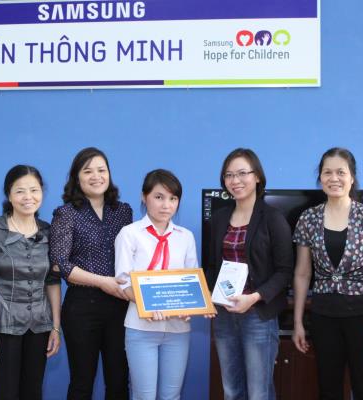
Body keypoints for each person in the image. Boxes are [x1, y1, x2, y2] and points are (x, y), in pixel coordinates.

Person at [292, 147, 363, 400]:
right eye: (327, 172)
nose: (333, 178)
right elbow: (302, 274)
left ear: (352, 177)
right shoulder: (308, 218)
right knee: (328, 389)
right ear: (320, 178)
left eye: (340, 172)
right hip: (324, 316)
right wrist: (298, 322)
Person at [205, 148, 294, 400]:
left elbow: (285, 271)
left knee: (258, 393)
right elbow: (212, 266)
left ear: (257, 177)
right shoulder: (219, 218)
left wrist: (254, 297)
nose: (235, 180)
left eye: (242, 173)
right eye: (229, 175)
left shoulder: (273, 218)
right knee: (231, 390)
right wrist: (209, 295)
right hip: (224, 314)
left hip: (258, 315)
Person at [50, 147, 132, 400]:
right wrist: (102, 282)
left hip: (120, 305)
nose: (96, 176)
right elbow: (59, 264)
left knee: (119, 382)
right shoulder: (66, 213)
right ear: (77, 178)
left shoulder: (123, 211)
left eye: (101, 170)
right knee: (82, 382)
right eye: (88, 171)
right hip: (82, 307)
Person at [0, 165, 61, 400]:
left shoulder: (49, 232)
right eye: (20, 191)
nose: (28, 197)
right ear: (9, 195)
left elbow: (53, 281)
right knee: (6, 394)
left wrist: (55, 326)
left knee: (33, 393)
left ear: (42, 193)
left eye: (34, 190)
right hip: (3, 327)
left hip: (40, 327)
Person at [114, 169, 198, 400]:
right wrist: (148, 304)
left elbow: (191, 281)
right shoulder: (129, 234)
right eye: (159, 197)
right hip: (141, 327)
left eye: (173, 198)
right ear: (144, 197)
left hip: (178, 329)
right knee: (144, 396)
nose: (166, 205)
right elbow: (123, 282)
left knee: (172, 396)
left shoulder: (185, 236)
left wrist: (190, 306)